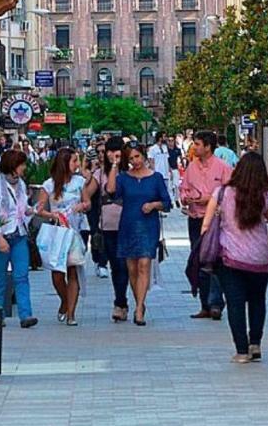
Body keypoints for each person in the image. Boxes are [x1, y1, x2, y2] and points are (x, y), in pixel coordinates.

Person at [200, 153, 268, 363]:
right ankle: (255, 344)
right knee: (257, 300)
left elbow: (206, 225)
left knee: (235, 304)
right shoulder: (266, 197)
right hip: (261, 258)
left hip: (231, 257)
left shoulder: (222, 193)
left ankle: (242, 351)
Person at [105, 142, 172, 326]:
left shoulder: (156, 178)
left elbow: (167, 202)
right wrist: (114, 165)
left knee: (144, 264)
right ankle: (139, 303)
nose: (135, 161)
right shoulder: (124, 178)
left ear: (143, 156)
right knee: (132, 269)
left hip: (148, 225)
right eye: (131, 158)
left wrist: (153, 205)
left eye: (138, 156)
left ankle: (139, 308)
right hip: (128, 225)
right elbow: (111, 190)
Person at [36, 147, 94, 326]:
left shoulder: (79, 182)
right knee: (57, 273)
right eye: (74, 161)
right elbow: (40, 209)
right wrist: (52, 215)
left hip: (74, 232)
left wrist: (82, 206)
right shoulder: (48, 185)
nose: (77, 164)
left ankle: (71, 313)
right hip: (57, 232)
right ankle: (64, 300)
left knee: (73, 271)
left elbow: (88, 203)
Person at [0, 149, 37, 328]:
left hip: (17, 234)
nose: (24, 168)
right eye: (22, 165)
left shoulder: (20, 184)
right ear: (13, 166)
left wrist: (32, 210)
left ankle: (25, 315)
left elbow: (21, 208)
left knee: (22, 275)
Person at [181, 131, 233, 319]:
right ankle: (204, 303)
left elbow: (230, 194)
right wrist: (187, 198)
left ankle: (216, 303)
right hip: (196, 218)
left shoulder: (223, 168)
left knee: (216, 261)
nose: (194, 147)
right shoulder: (191, 168)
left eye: (197, 144)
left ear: (208, 147)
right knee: (198, 260)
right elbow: (184, 189)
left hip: (216, 221)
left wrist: (210, 200)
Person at [94, 136, 132, 321]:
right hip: (108, 225)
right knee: (116, 266)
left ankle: (122, 302)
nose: (111, 155)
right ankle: (120, 301)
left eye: (115, 151)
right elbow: (104, 190)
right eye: (109, 151)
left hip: (127, 224)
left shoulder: (131, 172)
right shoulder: (101, 172)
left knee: (124, 265)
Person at [167, 136, 184, 207]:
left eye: (172, 140)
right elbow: (166, 160)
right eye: (169, 140)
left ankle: (177, 199)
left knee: (176, 185)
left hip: (176, 168)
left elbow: (180, 159)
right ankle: (171, 200)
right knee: (170, 186)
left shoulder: (177, 150)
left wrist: (182, 164)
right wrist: (169, 169)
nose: (171, 142)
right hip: (169, 169)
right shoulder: (166, 150)